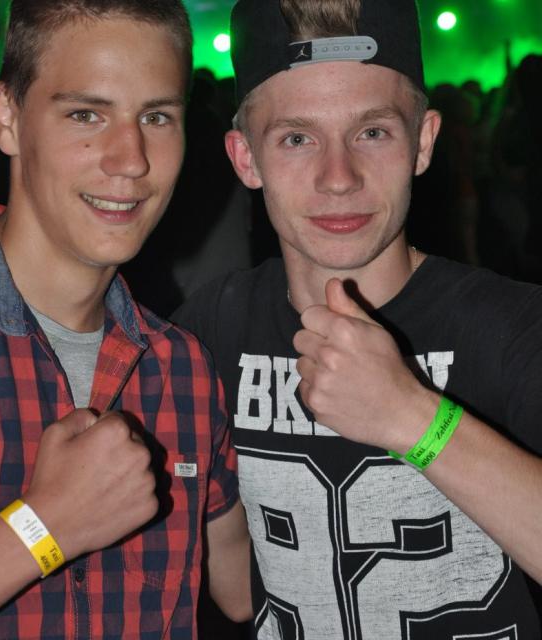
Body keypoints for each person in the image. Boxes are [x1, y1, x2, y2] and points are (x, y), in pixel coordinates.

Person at [172, 0, 542, 637]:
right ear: (245, 158)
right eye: (297, 138)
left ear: (423, 142)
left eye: (373, 132)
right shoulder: (207, 331)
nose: (338, 177)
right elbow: (235, 592)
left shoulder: (512, 328)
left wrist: (413, 417)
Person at [0, 1, 251, 638]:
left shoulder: (182, 369)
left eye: (157, 117)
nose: (131, 159)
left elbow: (246, 588)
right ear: (7, 119)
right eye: (86, 114)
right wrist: (45, 528)